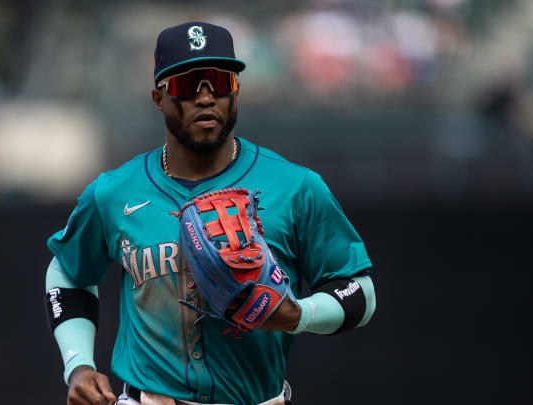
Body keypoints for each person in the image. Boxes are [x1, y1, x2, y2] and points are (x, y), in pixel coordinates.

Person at [44, 21, 376, 405]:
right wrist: (78, 364)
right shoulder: (114, 191)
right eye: (187, 84)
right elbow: (67, 272)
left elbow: (360, 293)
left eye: (220, 82)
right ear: (159, 98)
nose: (206, 97)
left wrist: (298, 315)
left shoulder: (297, 187)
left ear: (236, 92)